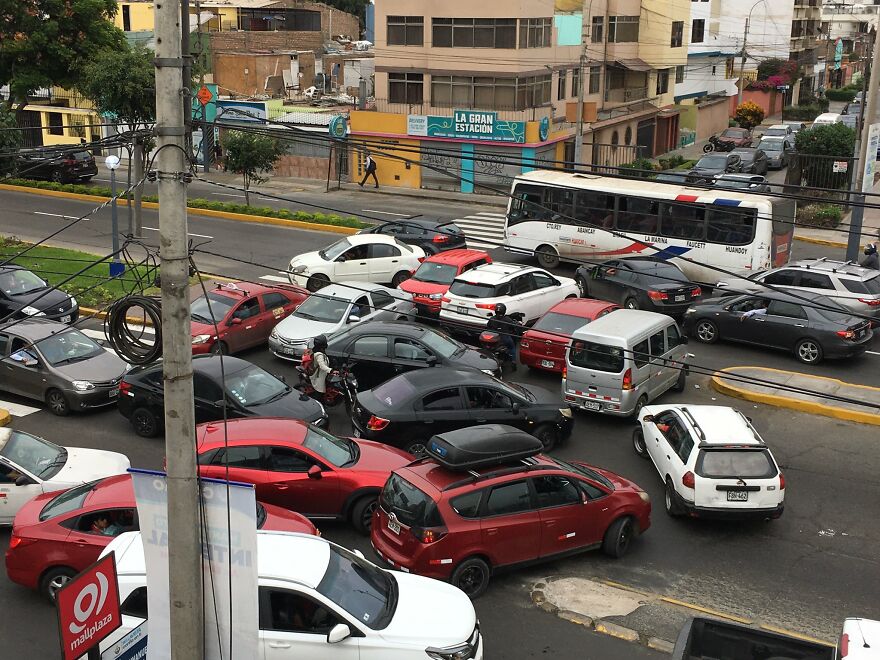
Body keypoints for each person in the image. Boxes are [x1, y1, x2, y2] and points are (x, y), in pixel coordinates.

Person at [486, 303, 518, 370]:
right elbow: (514, 327)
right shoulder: (507, 319)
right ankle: (513, 361)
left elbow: (488, 327)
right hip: (505, 338)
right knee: (512, 347)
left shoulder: (492, 318)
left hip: (494, 338)